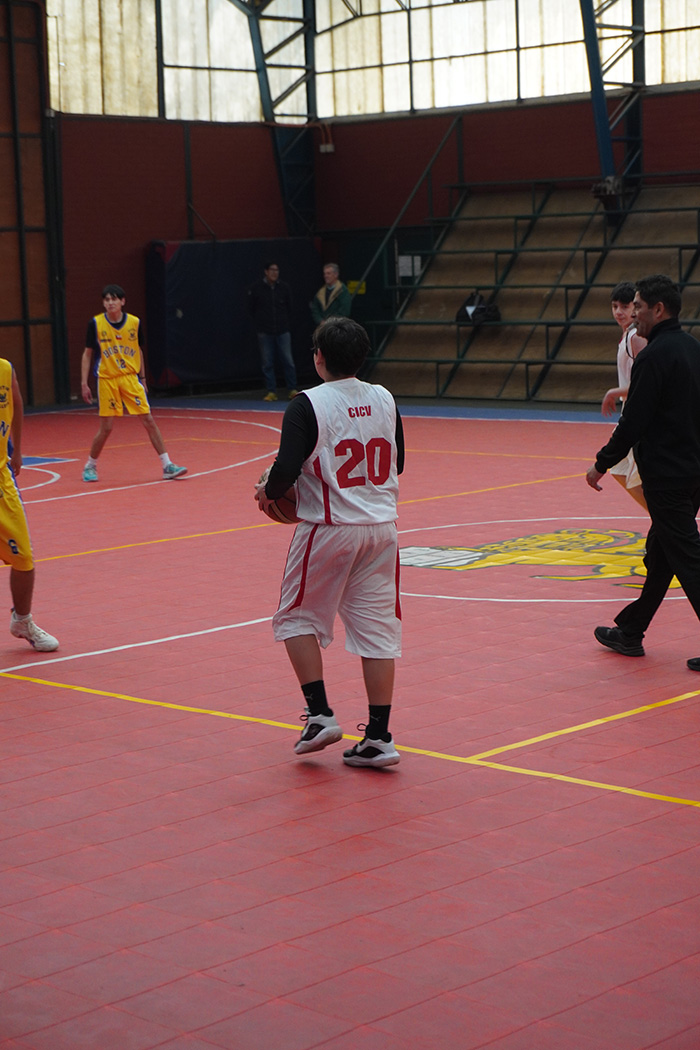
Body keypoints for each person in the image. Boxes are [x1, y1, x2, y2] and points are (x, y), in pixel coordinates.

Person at [255, 316, 404, 767]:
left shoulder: (306, 404)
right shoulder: (385, 397)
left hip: (330, 526)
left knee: (294, 618)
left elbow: (285, 472)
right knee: (377, 633)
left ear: (318, 358)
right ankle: (378, 737)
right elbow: (398, 463)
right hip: (383, 529)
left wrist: (268, 492)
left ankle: (320, 715)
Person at [586, 274, 700, 669]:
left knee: (688, 557)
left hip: (667, 475)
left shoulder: (653, 356)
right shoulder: (692, 348)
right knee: (662, 554)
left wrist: (601, 463)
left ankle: (632, 631)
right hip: (692, 471)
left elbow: (633, 421)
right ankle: (631, 631)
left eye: (638, 306)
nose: (633, 313)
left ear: (658, 309)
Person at [80, 285, 187, 483]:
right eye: (106, 299)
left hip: (130, 377)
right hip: (107, 379)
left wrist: (143, 379)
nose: (110, 303)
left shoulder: (134, 323)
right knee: (107, 427)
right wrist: (84, 383)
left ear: (123, 301)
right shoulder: (95, 323)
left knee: (148, 419)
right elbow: (87, 355)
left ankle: (167, 465)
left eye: (114, 299)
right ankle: (90, 465)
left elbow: (138, 350)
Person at [0, 358, 59, 652]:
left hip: (1, 481)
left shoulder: (5, 369)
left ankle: (22, 621)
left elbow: (17, 403)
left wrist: (18, 450)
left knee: (24, 558)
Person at [601, 281, 647, 510]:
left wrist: (615, 392)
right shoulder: (626, 336)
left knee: (637, 477)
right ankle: (661, 520)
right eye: (615, 306)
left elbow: (646, 382)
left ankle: (666, 522)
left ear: (635, 308)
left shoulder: (635, 338)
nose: (619, 312)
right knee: (619, 469)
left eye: (625, 306)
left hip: (640, 411)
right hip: (628, 409)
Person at [247, 262, 298, 402]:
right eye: (272, 270)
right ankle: (271, 391)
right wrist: (261, 324)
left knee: (288, 361)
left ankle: (292, 389)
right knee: (267, 363)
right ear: (266, 271)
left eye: (277, 270)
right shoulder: (257, 288)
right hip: (265, 332)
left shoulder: (284, 288)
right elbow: (251, 309)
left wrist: (284, 322)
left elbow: (290, 307)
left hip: (283, 330)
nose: (275, 273)